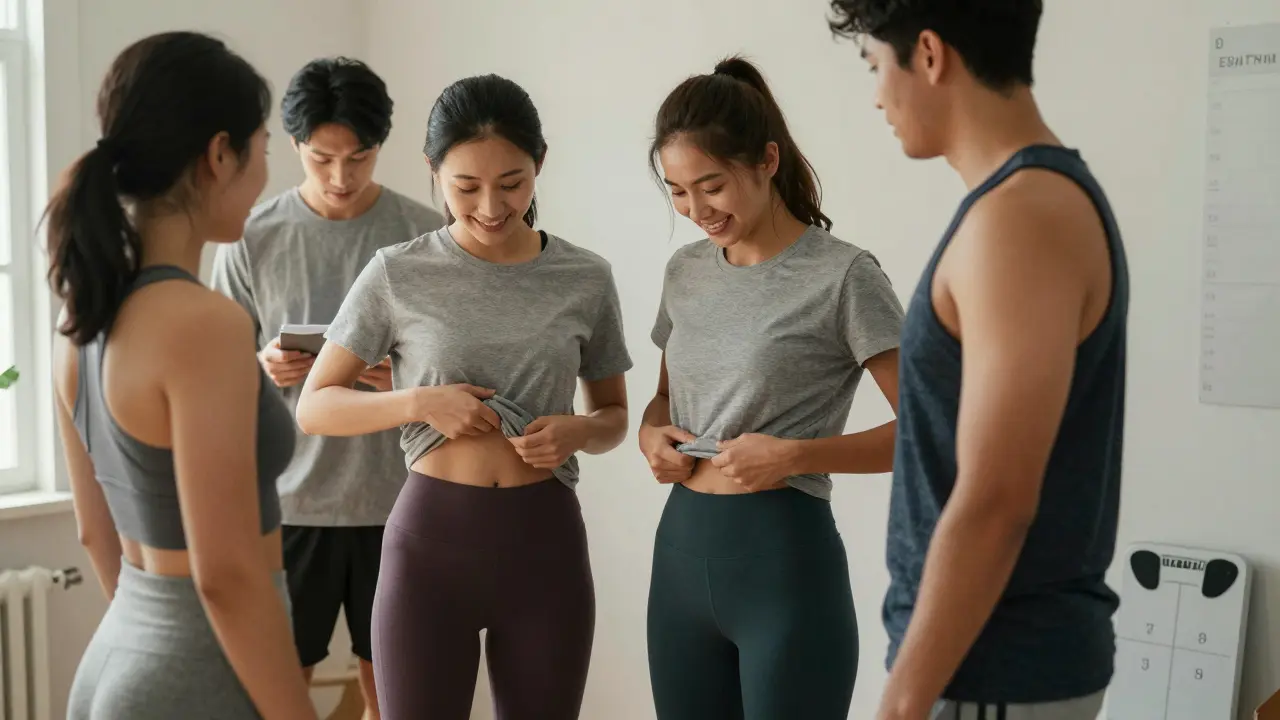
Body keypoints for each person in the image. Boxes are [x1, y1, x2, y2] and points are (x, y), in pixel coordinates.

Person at [295, 73, 632, 720]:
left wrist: (578, 432)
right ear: (432, 171)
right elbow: (316, 405)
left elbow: (614, 416)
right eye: (465, 187)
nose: (490, 207)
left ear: (539, 165)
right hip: (430, 552)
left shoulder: (585, 278)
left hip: (547, 550)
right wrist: (419, 403)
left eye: (512, 183)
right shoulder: (398, 271)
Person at [827, 2, 1129, 718]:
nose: (876, 95)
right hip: (995, 671)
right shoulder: (1027, 204)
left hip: (995, 672)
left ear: (929, 54)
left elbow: (996, 501)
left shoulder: (1018, 219)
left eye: (876, 65)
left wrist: (902, 703)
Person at [47, 31, 317, 720]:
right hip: (199, 673)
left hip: (119, 656)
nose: (264, 174)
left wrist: (149, 644)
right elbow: (226, 575)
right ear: (218, 154)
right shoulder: (205, 325)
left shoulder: (81, 320)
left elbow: (94, 532)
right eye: (260, 148)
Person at [639, 56, 904, 720]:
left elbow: (932, 432)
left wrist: (795, 456)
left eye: (712, 185)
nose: (697, 209)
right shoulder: (685, 272)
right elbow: (664, 399)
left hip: (784, 566)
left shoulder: (844, 276)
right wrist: (651, 434)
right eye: (677, 191)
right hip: (679, 556)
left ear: (766, 160)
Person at [210, 56, 444, 718]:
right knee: (278, 689)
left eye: (360, 156)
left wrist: (399, 375)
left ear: (381, 146)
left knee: (396, 691)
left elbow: (454, 368)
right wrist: (261, 366)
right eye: (322, 159)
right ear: (293, 148)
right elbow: (211, 370)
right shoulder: (250, 237)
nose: (342, 177)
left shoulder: (422, 234)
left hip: (400, 499)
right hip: (290, 506)